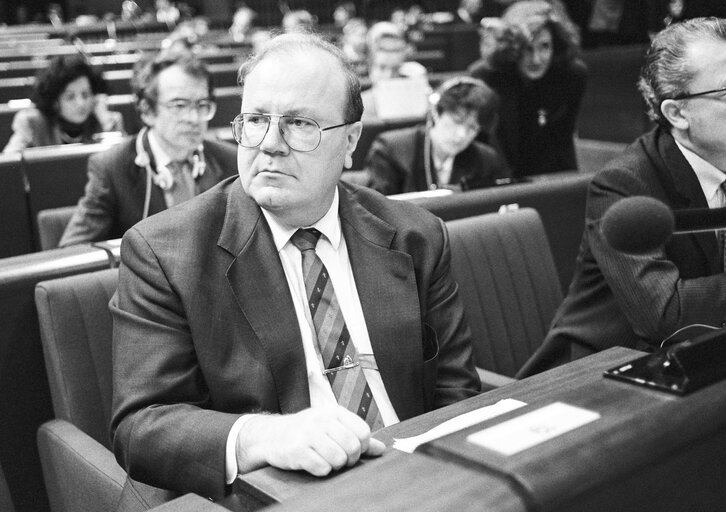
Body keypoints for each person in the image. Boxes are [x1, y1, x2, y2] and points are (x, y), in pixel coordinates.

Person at [109, 32, 480, 504]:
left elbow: (456, 389)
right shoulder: (166, 252)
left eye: (300, 124)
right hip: (269, 491)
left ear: (350, 141)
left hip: (413, 480)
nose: (270, 145)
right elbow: (141, 427)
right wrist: (265, 437)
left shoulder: (417, 236)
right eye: (256, 120)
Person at [517, 17, 726, 377]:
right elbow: (665, 315)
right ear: (678, 113)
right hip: (601, 373)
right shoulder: (623, 184)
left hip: (713, 358)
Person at [57, 51, 237, 247]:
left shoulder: (230, 160)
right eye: (179, 105)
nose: (194, 118)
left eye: (202, 105)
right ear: (147, 111)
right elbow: (72, 250)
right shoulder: (112, 168)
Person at [469, 0, 587, 177]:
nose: (536, 59)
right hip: (499, 177)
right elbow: (481, 145)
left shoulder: (572, 75)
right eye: (527, 49)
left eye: (545, 46)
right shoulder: (486, 76)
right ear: (511, 48)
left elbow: (563, 140)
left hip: (553, 175)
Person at [364, 76, 509, 194]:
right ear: (436, 113)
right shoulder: (389, 150)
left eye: (472, 128)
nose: (461, 135)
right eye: (456, 121)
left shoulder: (487, 159)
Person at [2, 55, 124, 153]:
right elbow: (8, 167)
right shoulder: (33, 122)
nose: (81, 103)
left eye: (86, 95)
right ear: (55, 100)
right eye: (70, 97)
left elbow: (125, 165)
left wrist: (108, 124)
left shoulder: (104, 119)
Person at [360, 21, 428, 120]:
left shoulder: (416, 83)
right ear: (370, 68)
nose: (389, 76)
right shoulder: (358, 106)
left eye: (395, 69)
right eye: (382, 68)